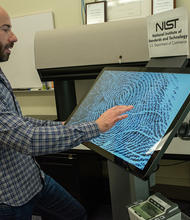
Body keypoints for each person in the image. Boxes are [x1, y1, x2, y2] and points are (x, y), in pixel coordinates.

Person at [0, 6, 133, 220]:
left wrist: (64, 125)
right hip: (10, 198)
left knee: (76, 214)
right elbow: (28, 139)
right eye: (5, 29)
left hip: (33, 179)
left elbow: (17, 124)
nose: (14, 37)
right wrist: (97, 126)